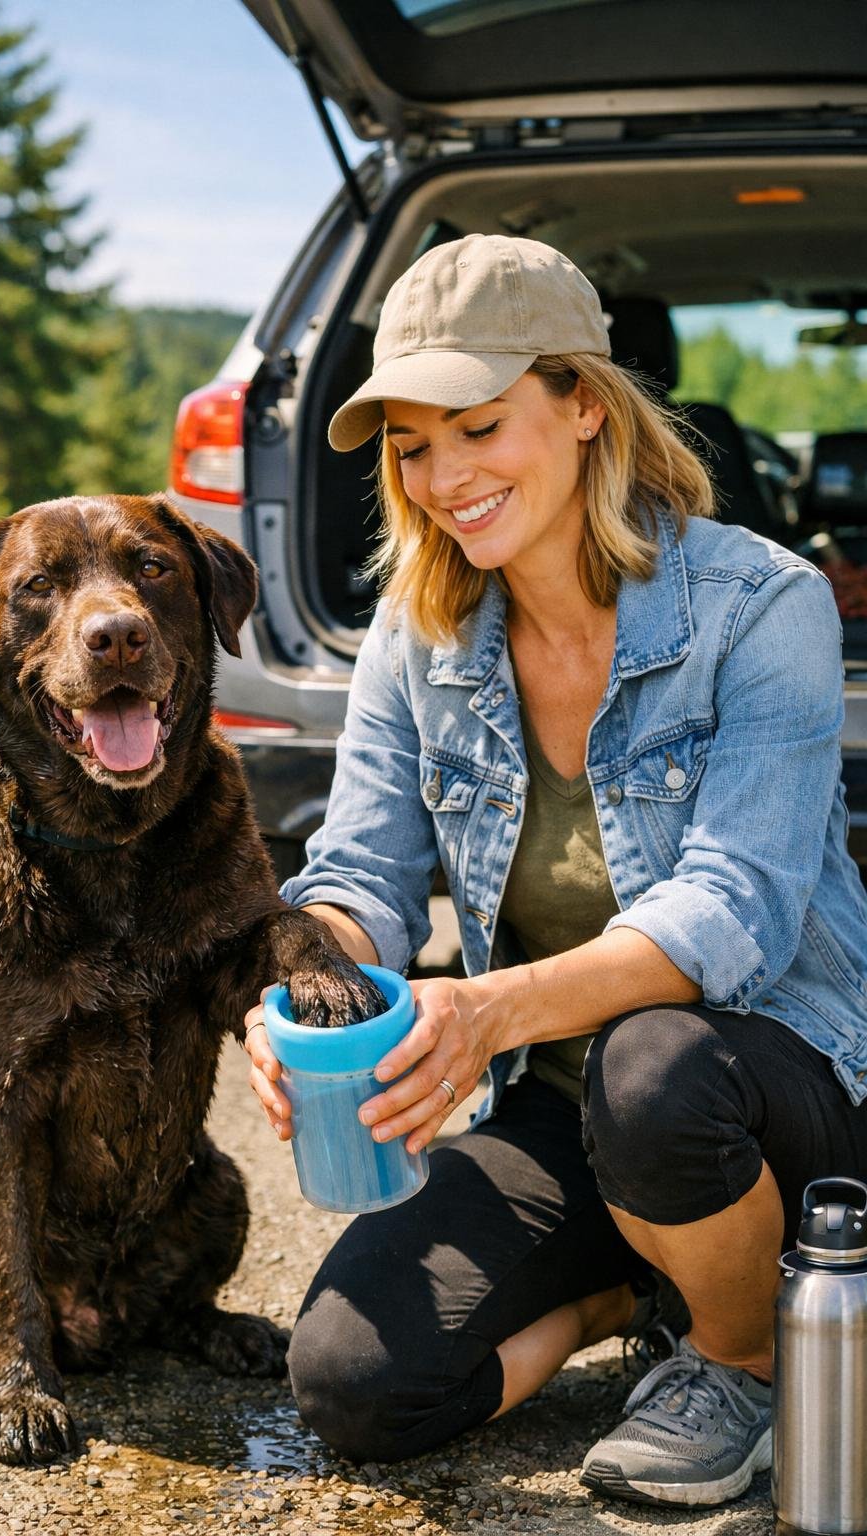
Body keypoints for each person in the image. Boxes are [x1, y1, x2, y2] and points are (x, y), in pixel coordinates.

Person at [242, 234, 867, 1508]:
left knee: (653, 1062)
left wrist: (478, 1012)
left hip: (770, 1084)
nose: (443, 478)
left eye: (477, 424)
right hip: (565, 1108)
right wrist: (305, 984)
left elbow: (729, 911)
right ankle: (643, 1287)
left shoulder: (765, 607)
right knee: (353, 1381)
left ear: (584, 403)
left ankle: (740, 1360)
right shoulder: (415, 639)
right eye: (413, 447)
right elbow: (358, 872)